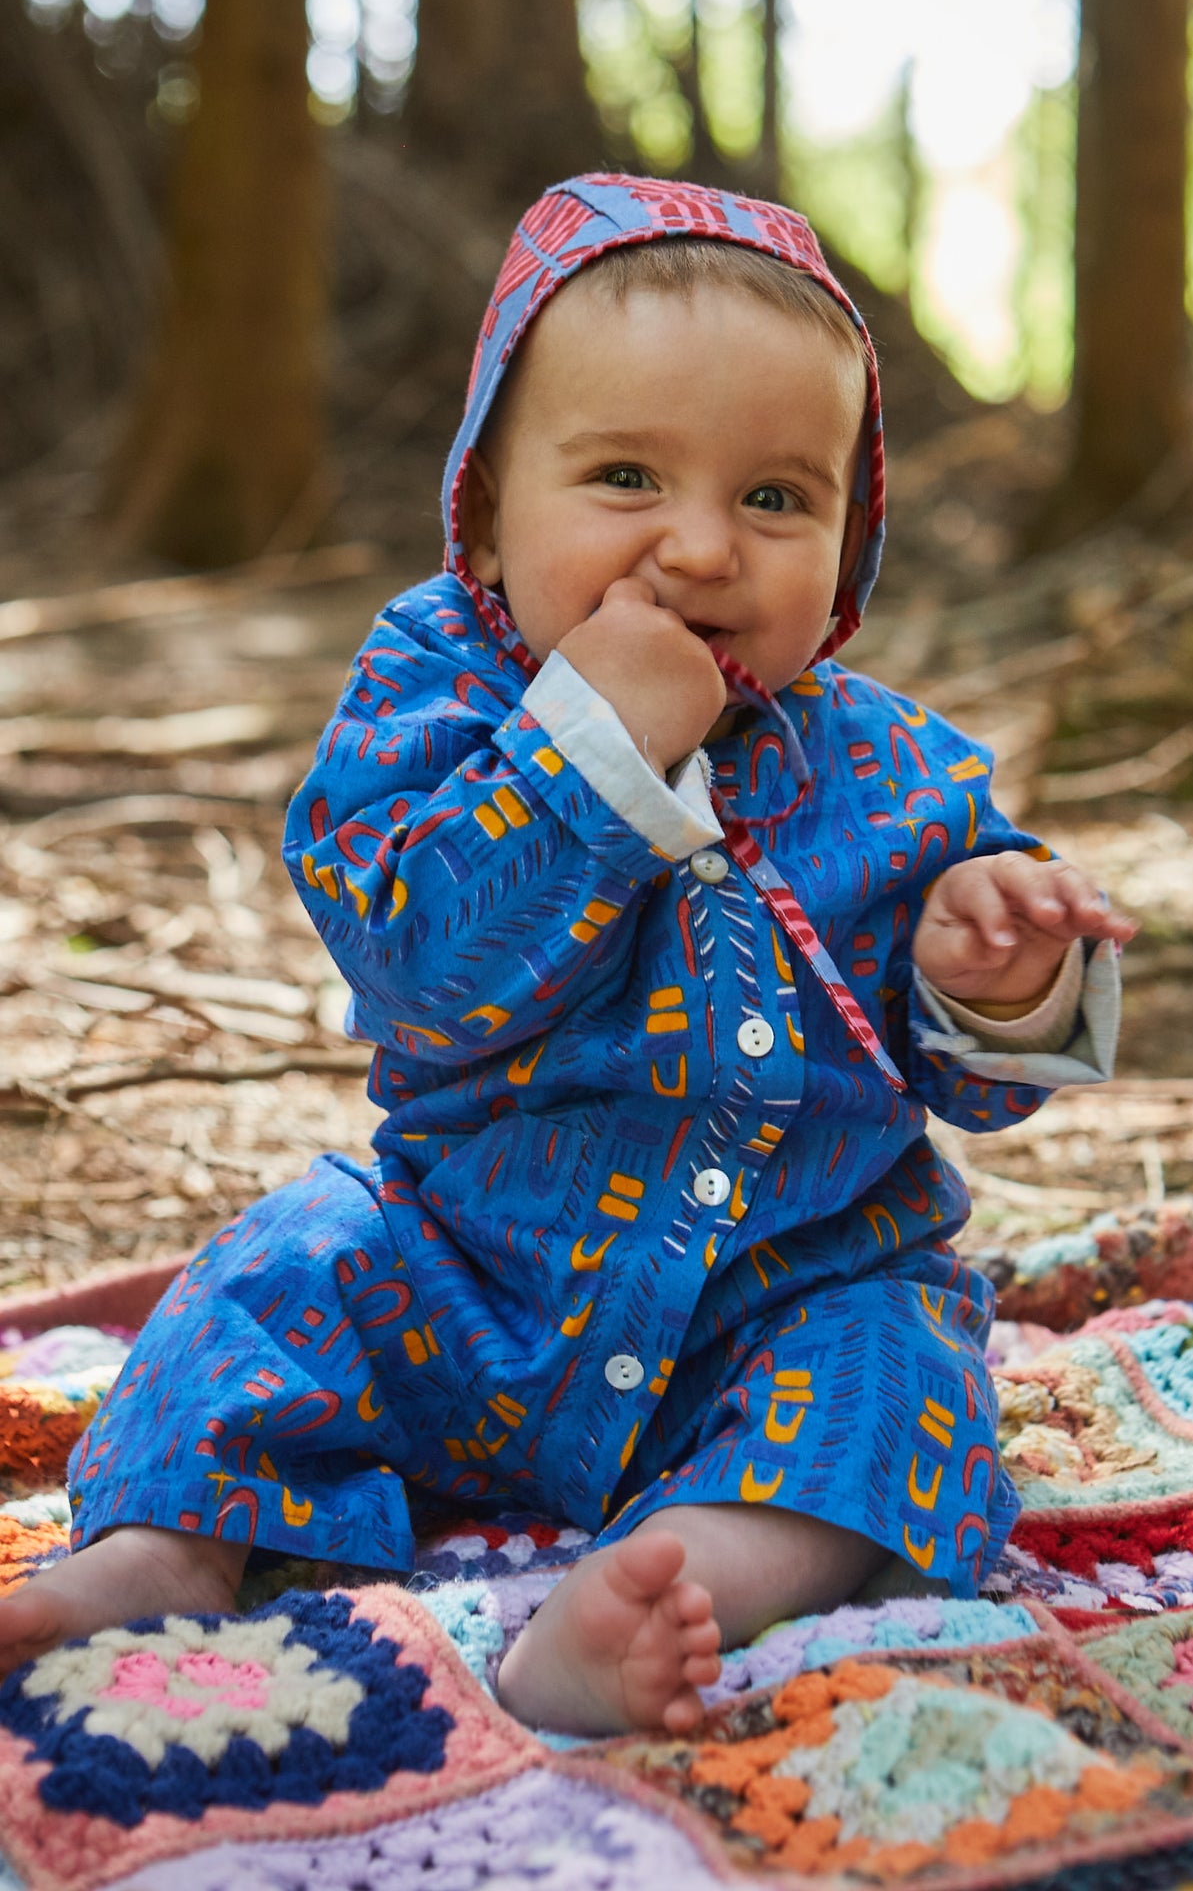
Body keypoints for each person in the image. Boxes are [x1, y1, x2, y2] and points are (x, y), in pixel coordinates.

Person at [0, 175, 1132, 1734]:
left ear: (849, 541)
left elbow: (970, 1084)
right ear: (483, 505)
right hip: (461, 1278)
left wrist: (994, 976)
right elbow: (416, 961)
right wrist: (587, 747)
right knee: (278, 1267)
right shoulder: (435, 699)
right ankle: (158, 1557)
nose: (697, 549)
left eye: (774, 500)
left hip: (774, 1308)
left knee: (903, 1371)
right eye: (620, 476)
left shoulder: (888, 765)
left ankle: (675, 1581)